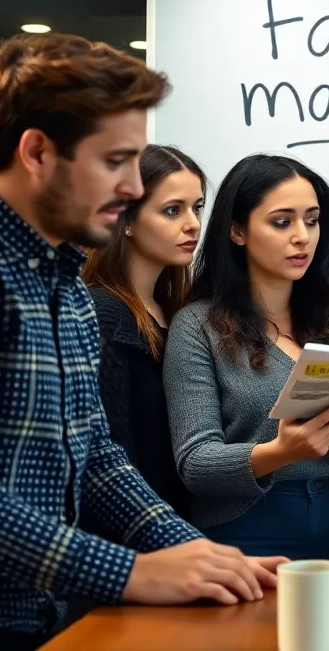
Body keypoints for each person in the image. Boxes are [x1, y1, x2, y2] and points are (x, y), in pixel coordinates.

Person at [0, 34, 285, 651]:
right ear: (36, 151)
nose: (133, 188)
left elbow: (94, 458)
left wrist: (197, 554)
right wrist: (137, 571)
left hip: (26, 618)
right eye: (114, 162)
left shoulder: (58, 278)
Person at [163, 154, 329, 562]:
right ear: (237, 231)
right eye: (282, 222)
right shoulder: (197, 326)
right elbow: (195, 463)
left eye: (313, 219)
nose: (302, 236)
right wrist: (280, 451)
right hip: (245, 533)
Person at [82, 144, 208, 520]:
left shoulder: (178, 311)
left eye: (197, 207)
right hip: (137, 539)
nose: (193, 224)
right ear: (126, 220)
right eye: (173, 210)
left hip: (185, 528)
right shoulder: (105, 313)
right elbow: (109, 455)